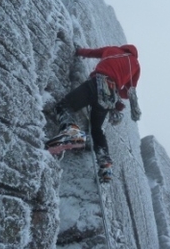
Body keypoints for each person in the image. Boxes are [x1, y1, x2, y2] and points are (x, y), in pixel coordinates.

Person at [49, 44, 141, 182]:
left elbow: (92, 52)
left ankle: (71, 133)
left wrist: (78, 51)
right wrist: (118, 91)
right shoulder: (135, 66)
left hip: (98, 82)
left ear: (125, 48)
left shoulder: (113, 50)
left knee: (63, 106)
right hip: (109, 96)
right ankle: (106, 166)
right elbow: (128, 91)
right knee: (97, 130)